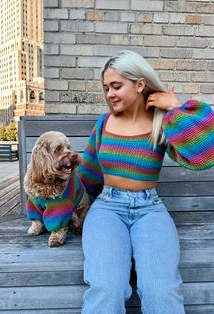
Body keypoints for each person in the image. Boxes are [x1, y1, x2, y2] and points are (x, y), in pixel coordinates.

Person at [77, 50, 214, 314]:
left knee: (161, 291)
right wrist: (67, 210)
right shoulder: (104, 123)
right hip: (107, 209)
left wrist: (176, 107)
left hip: (149, 210)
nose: (109, 94)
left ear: (140, 84)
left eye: (116, 86)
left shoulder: (162, 123)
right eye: (106, 88)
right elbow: (89, 176)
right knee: (107, 288)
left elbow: (206, 151)